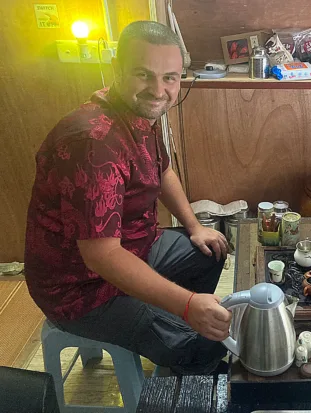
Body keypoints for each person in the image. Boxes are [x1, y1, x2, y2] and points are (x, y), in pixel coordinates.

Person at [24, 21, 232, 375]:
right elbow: (102, 256)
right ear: (116, 71)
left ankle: (170, 336)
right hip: (81, 289)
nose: (158, 89)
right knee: (204, 343)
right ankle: (183, 350)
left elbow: (162, 170)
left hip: (136, 246)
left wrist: (195, 226)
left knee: (210, 251)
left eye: (170, 77)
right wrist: (187, 304)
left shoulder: (137, 114)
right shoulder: (93, 143)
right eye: (143, 74)